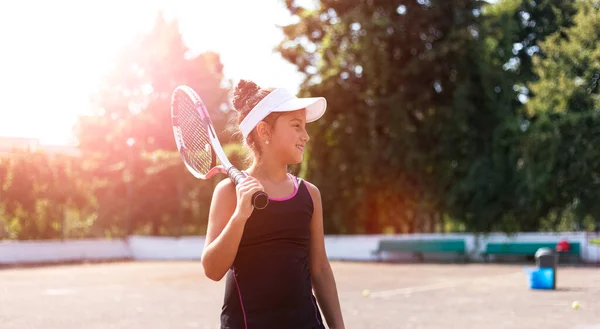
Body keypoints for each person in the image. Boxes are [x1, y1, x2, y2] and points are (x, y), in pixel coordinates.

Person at [201, 80, 345, 329]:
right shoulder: (229, 192)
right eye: (296, 126)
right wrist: (240, 216)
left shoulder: (310, 194)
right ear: (265, 131)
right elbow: (212, 269)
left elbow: (320, 269)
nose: (306, 135)